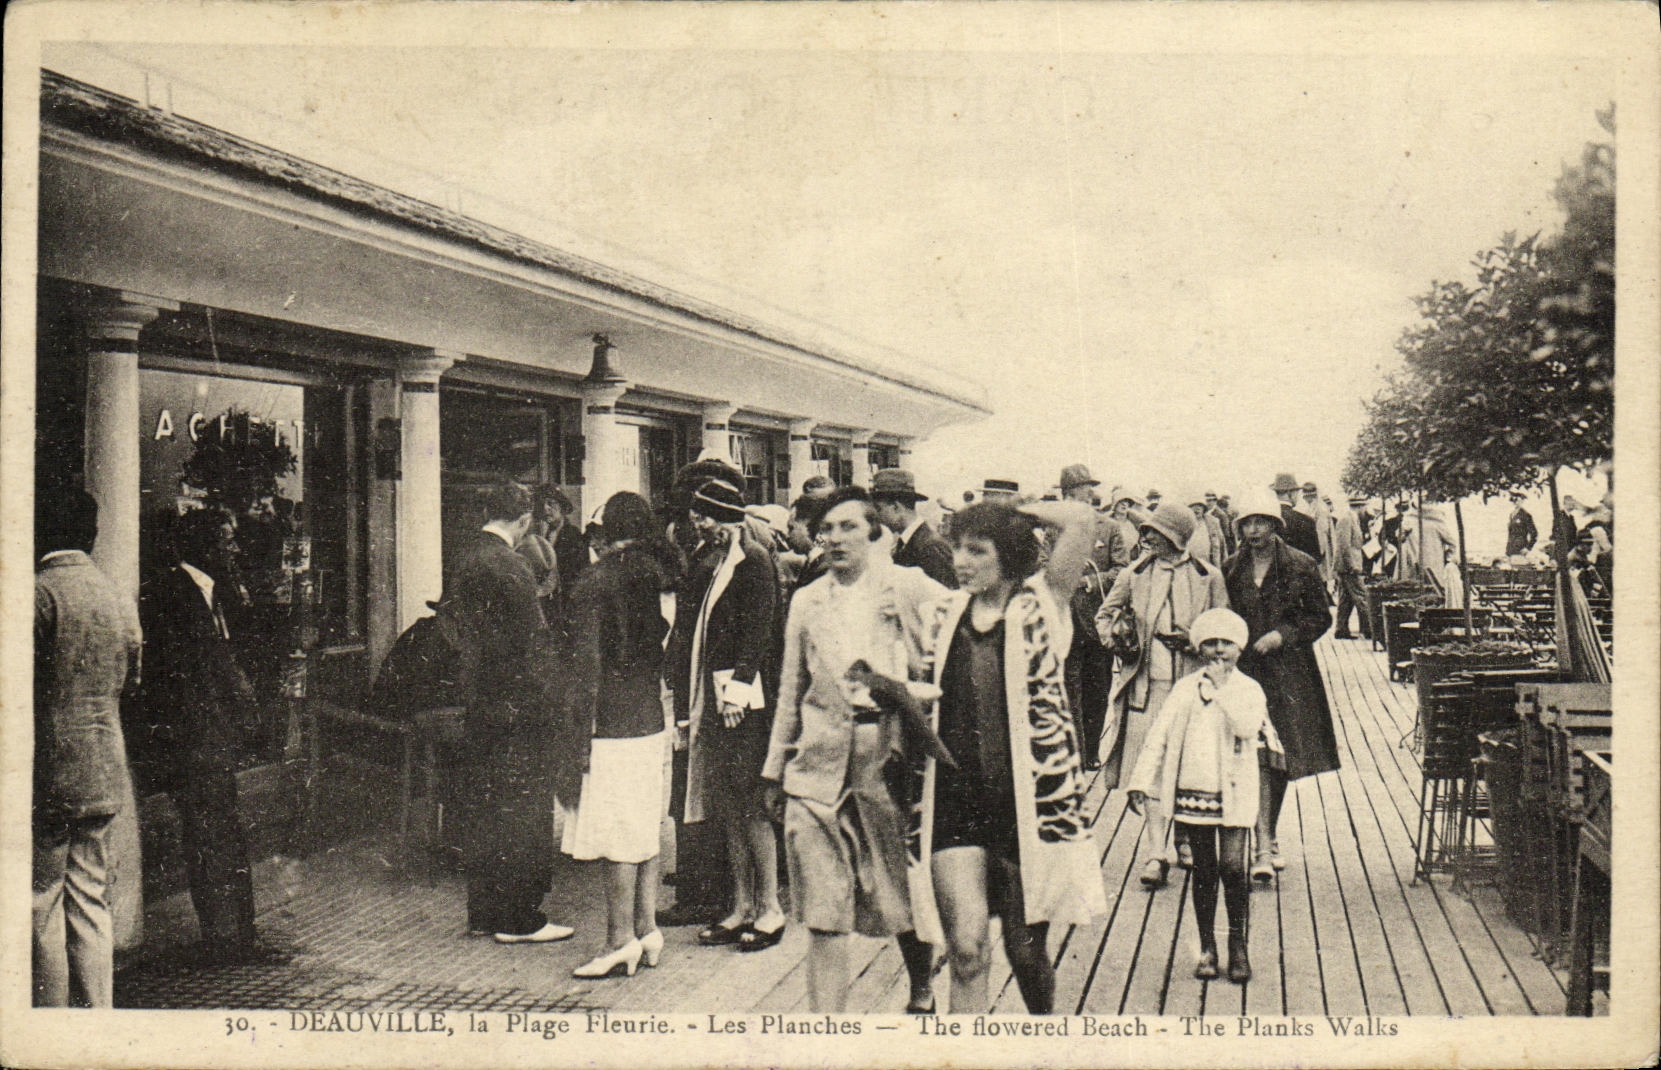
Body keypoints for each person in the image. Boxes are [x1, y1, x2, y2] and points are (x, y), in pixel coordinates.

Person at [898, 498, 1106, 1015]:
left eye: (978, 550)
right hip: (952, 802)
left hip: (1026, 809)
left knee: (1026, 953)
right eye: (958, 549)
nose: (962, 561)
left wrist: (1015, 510)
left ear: (1007, 556)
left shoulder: (1045, 603)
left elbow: (1081, 520)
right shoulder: (942, 614)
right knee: (967, 952)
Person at [761, 487, 947, 1012]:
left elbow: (954, 645)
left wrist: (910, 630)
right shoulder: (807, 599)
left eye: (848, 527)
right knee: (823, 912)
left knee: (899, 890)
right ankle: (828, 1036)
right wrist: (775, 770)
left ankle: (922, 983)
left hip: (887, 764)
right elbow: (790, 691)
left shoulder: (905, 585)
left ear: (874, 531)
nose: (836, 539)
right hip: (816, 768)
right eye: (827, 530)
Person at [555, 493, 682, 978]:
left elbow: (585, 667)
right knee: (644, 827)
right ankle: (647, 929)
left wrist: (576, 736)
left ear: (607, 529)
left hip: (608, 722)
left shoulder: (597, 581)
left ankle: (618, 940)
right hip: (651, 715)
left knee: (616, 836)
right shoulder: (662, 573)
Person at [135, 507, 269, 963]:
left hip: (213, 739)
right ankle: (225, 938)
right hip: (195, 742)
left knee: (223, 834)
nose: (234, 548)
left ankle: (236, 935)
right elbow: (174, 679)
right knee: (211, 836)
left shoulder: (212, 593)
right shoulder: (171, 595)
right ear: (204, 546)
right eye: (226, 540)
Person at [444, 483, 570, 943]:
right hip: (520, 709)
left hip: (481, 705)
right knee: (524, 811)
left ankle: (484, 912)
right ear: (521, 522)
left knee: (484, 808)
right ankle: (520, 918)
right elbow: (534, 647)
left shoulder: (465, 558)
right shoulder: (512, 566)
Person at [666, 480, 785, 952]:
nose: (700, 526)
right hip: (717, 705)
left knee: (751, 805)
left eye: (706, 518)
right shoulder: (716, 562)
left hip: (744, 708)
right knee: (728, 808)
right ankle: (740, 906)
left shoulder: (753, 561)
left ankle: (771, 907)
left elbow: (759, 631)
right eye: (698, 519)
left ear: (728, 518)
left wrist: (738, 691)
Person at [1127, 609, 1276, 984]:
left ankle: (1237, 945)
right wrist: (1141, 781)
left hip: (1235, 795)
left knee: (1231, 866)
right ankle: (1208, 946)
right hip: (1194, 794)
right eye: (1210, 643)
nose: (1218, 651)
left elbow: (1245, 726)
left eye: (1226, 644)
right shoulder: (1184, 689)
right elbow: (1159, 735)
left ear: (1239, 649)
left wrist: (1222, 690)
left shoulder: (1248, 689)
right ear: (1199, 648)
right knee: (1204, 870)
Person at [33, 488, 141, 1006]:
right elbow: (132, 675)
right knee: (91, 894)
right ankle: (99, 1016)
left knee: (43, 900)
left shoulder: (39, 594)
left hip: (50, 764)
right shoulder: (115, 594)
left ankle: (51, 1023)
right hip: (105, 763)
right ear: (91, 535)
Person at [1094, 502, 1229, 889]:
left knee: (1188, 766)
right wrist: (1117, 639)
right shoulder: (1134, 574)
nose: (1147, 536)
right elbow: (1105, 614)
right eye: (1147, 531)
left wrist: (1195, 641)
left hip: (1194, 687)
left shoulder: (1208, 576)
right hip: (1145, 688)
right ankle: (1157, 852)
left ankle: (1184, 839)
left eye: (1155, 532)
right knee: (1150, 768)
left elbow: (1226, 626)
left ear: (1175, 536)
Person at [870, 467, 957, 1012]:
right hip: (876, 739)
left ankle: (933, 961)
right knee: (897, 863)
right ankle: (921, 974)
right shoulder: (831, 590)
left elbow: (953, 622)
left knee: (924, 855)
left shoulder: (915, 569)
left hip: (924, 729)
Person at [1222, 493, 1338, 882]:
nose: (1253, 530)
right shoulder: (1231, 569)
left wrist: (1283, 635)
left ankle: (1267, 837)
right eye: (1247, 523)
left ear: (1275, 526)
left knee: (1281, 754)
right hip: (1245, 671)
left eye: (1261, 522)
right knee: (1250, 753)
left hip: (1289, 674)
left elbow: (1320, 618)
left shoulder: (1301, 566)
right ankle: (1263, 840)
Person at [1059, 465, 1122, 770]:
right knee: (1069, 691)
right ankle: (1075, 753)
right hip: (1067, 625)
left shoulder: (1109, 528)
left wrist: (1089, 582)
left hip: (1099, 626)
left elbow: (1122, 570)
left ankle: (1092, 751)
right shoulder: (1053, 529)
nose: (1085, 499)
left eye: (1086, 493)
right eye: (1076, 495)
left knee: (1098, 690)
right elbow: (1043, 565)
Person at [874, 469, 955, 588]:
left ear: (896, 508)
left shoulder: (930, 547)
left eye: (879, 509)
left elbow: (946, 597)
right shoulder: (909, 542)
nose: (877, 516)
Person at [1331, 494, 1372, 640]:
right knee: (1361, 596)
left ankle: (1341, 629)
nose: (1365, 511)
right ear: (1360, 506)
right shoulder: (1346, 519)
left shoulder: (1351, 519)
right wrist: (1351, 565)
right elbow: (1344, 545)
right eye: (1364, 507)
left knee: (1345, 599)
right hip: (1349, 567)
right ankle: (1369, 629)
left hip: (1349, 565)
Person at [1270, 473, 1323, 564]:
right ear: (1290, 493)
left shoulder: (1268, 519)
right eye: (1296, 493)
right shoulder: (1306, 521)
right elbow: (1316, 559)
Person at [1505, 493, 1538, 558]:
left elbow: (1534, 534)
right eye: (1513, 500)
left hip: (1521, 549)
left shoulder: (1525, 515)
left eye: (1517, 500)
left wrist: (1528, 548)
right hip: (1511, 549)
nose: (1515, 502)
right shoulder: (1512, 515)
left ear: (1522, 501)